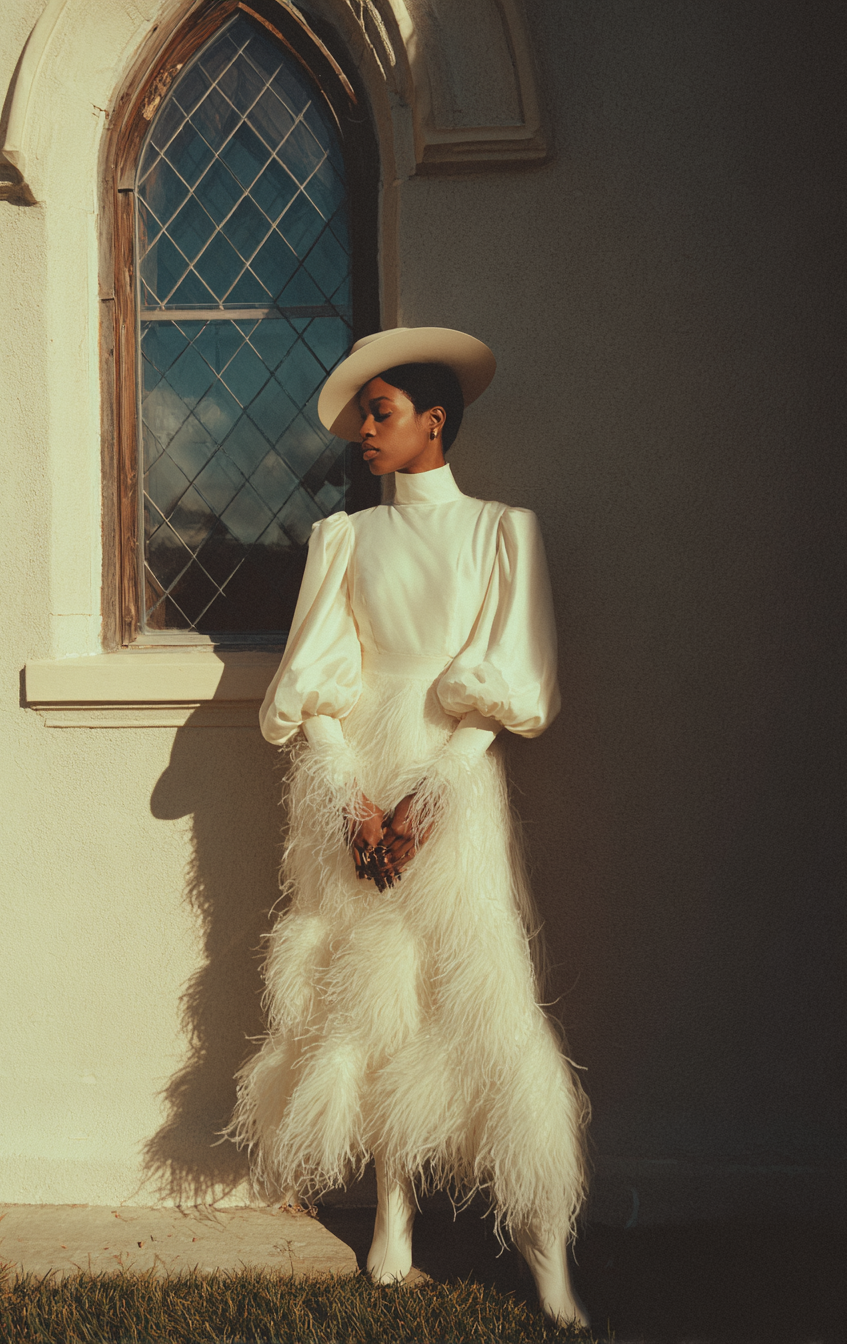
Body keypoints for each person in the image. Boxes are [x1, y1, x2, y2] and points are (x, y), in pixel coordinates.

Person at [230, 327, 591, 1327]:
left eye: (379, 413)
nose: (363, 431)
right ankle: (391, 1227)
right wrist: (348, 794)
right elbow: (315, 674)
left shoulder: (501, 531)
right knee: (372, 991)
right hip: (355, 777)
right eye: (361, 417)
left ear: (433, 422)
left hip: (453, 776)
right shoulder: (345, 538)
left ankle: (545, 1252)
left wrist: (433, 792)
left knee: (485, 992)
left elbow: (519, 675)